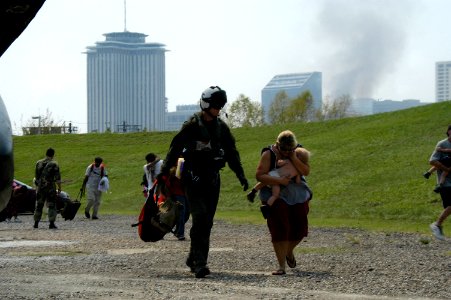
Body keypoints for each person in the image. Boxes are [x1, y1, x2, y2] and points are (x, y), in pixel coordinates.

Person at [158, 86, 249, 278]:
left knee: (207, 221)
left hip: (212, 180)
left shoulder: (221, 128)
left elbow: (232, 153)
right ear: (206, 104)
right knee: (199, 217)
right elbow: (174, 149)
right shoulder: (191, 126)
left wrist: (240, 175)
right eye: (216, 106)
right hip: (192, 179)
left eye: (220, 106)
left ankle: (193, 257)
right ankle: (200, 263)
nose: (218, 109)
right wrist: (164, 171)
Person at [255, 130, 312, 275]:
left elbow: (306, 171)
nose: (286, 152)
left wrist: (294, 158)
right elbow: (260, 176)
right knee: (279, 228)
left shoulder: (297, 152)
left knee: (300, 228)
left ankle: (288, 251)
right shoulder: (268, 154)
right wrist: (279, 180)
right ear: (277, 145)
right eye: (284, 149)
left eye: (290, 149)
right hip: (274, 192)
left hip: (296, 192)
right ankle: (281, 266)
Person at [429, 125, 451, 240]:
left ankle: (438, 225)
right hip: (446, 182)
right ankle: (436, 225)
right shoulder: (442, 144)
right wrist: (446, 169)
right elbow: (432, 161)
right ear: (448, 131)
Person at [33, 148, 62, 229]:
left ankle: (36, 223)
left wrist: (38, 185)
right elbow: (58, 178)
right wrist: (59, 188)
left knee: (39, 205)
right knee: (52, 205)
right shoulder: (54, 164)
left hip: (40, 187)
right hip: (50, 187)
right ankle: (51, 223)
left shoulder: (38, 163)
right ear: (53, 154)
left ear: (46, 153)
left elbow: (36, 177)